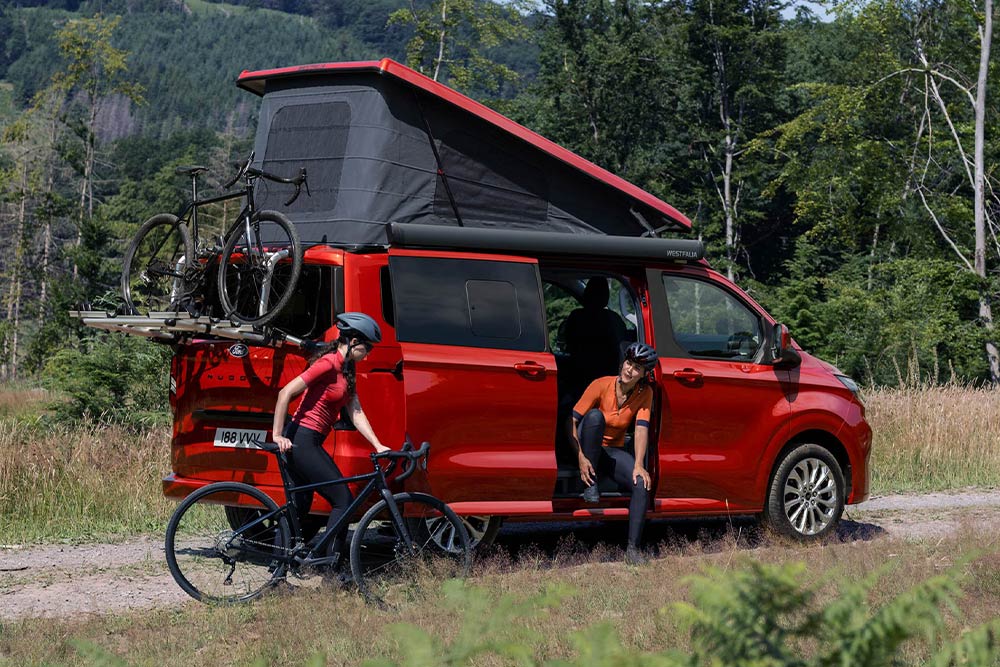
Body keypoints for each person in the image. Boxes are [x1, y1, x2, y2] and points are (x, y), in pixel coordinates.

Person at [272, 312, 389, 563]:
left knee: (299, 506)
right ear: (354, 341)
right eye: (367, 348)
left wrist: (377, 444)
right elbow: (285, 393)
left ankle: (278, 568)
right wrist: (277, 434)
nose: (368, 354)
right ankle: (330, 569)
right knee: (343, 501)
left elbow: (355, 410)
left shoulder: (347, 368)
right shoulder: (328, 363)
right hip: (301, 439)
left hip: (309, 440)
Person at [567, 342, 658, 565]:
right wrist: (580, 457)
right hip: (586, 447)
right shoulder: (601, 384)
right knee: (595, 417)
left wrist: (639, 464)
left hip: (612, 451)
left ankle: (633, 550)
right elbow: (570, 422)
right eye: (628, 363)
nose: (630, 370)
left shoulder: (645, 393)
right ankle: (590, 483)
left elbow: (641, 429)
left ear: (644, 374)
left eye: (637, 368)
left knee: (641, 482)